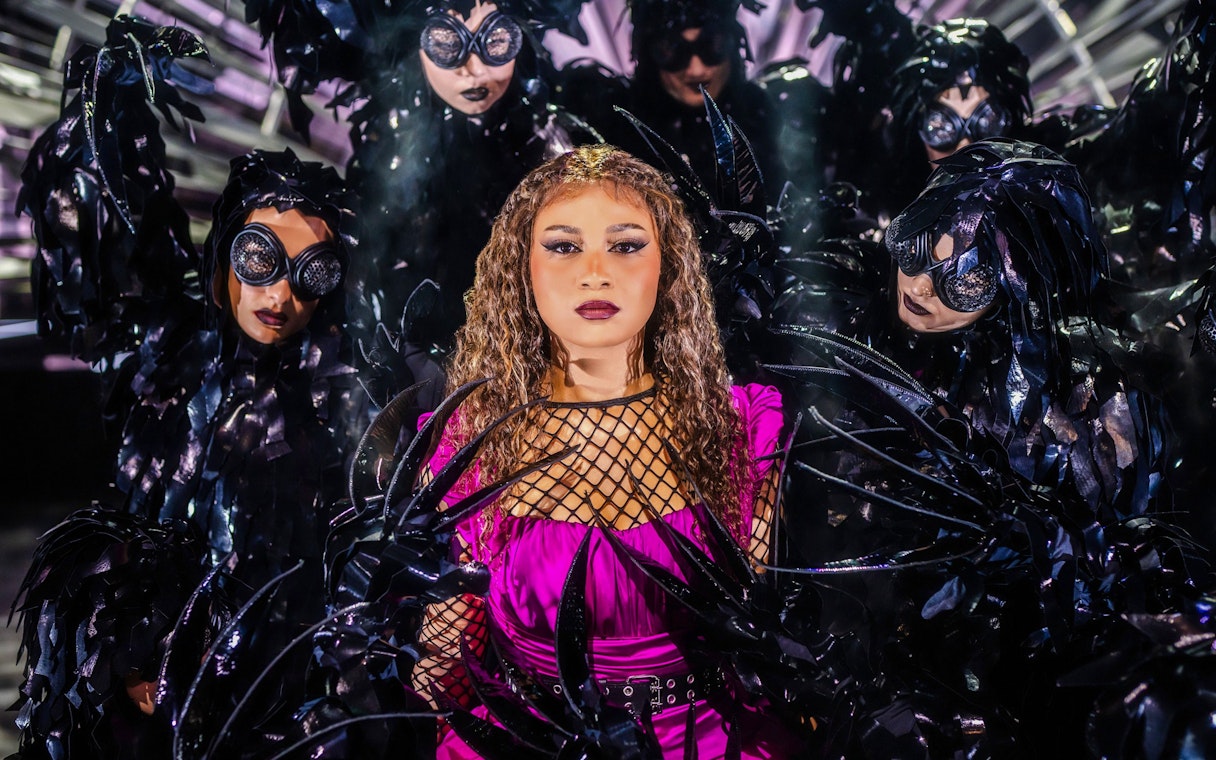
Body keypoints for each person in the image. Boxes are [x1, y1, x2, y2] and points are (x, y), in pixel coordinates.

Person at [11, 19, 366, 756]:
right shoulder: (166, 348)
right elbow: (103, 234)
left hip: (282, 692)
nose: (280, 295)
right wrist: (108, 110)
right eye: (259, 259)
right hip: (148, 685)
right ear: (226, 255)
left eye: (311, 274)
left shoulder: (343, 393)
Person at [409, 145, 798, 757]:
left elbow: (773, 625)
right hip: (530, 741)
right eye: (564, 246)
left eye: (626, 245)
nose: (595, 272)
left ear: (668, 265)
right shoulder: (472, 437)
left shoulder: (745, 428)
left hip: (710, 742)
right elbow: (450, 652)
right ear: (521, 268)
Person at [557, 0, 781, 195]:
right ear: (649, 56)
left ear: (733, 46)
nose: (695, 69)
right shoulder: (610, 122)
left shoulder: (768, 117)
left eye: (712, 46)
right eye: (672, 50)